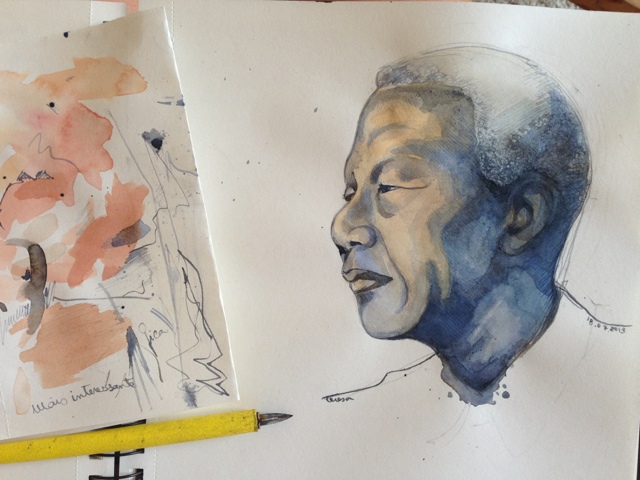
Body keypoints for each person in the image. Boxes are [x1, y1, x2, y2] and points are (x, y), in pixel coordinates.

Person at [331, 46, 591, 405]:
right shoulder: (370, 411)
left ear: (521, 217)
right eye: (351, 192)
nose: (342, 227)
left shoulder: (617, 383)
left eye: (388, 186)